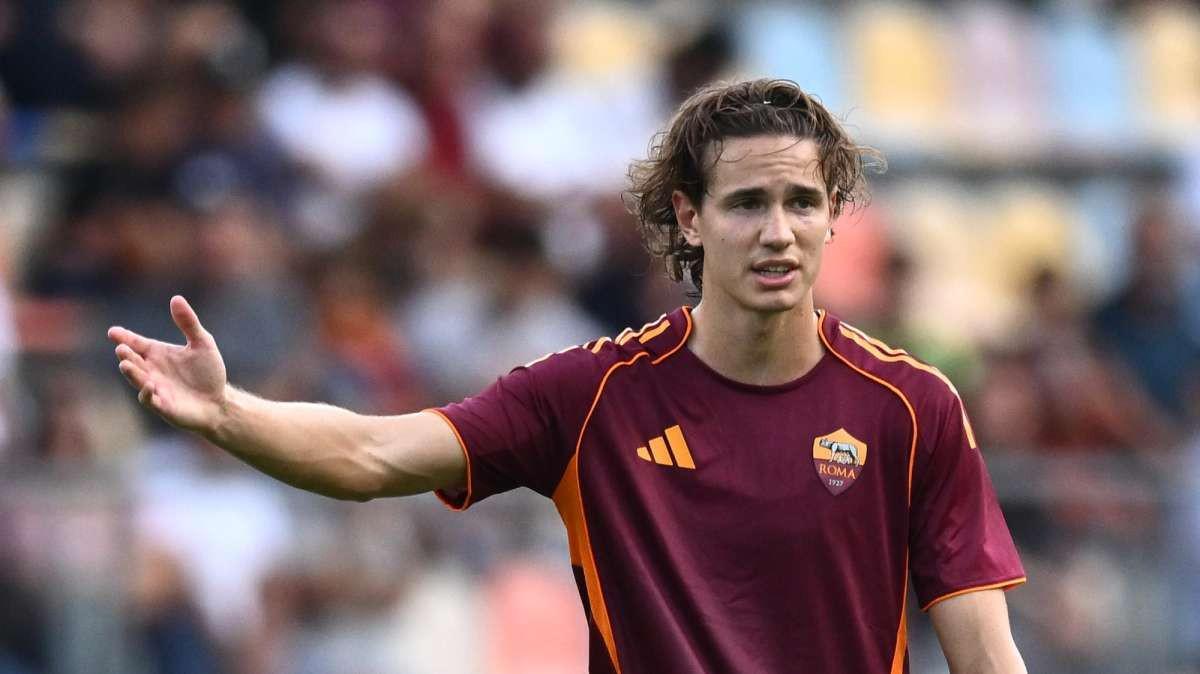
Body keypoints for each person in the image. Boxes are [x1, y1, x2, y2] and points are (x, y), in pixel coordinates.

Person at [109, 78, 1027, 673]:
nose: (777, 232)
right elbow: (371, 453)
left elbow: (986, 657)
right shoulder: (593, 394)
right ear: (691, 218)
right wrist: (228, 413)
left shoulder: (913, 408)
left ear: (833, 218)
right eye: (747, 203)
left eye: (802, 203)